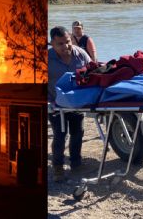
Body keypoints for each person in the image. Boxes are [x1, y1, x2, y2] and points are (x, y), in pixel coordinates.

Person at [48, 26, 91, 182]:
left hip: (76, 102)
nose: (65, 46)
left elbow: (92, 73)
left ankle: (76, 164)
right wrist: (48, 102)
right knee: (60, 135)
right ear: (52, 44)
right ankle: (58, 168)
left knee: (78, 132)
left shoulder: (81, 54)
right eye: (60, 44)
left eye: (67, 42)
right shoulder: (46, 59)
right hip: (55, 104)